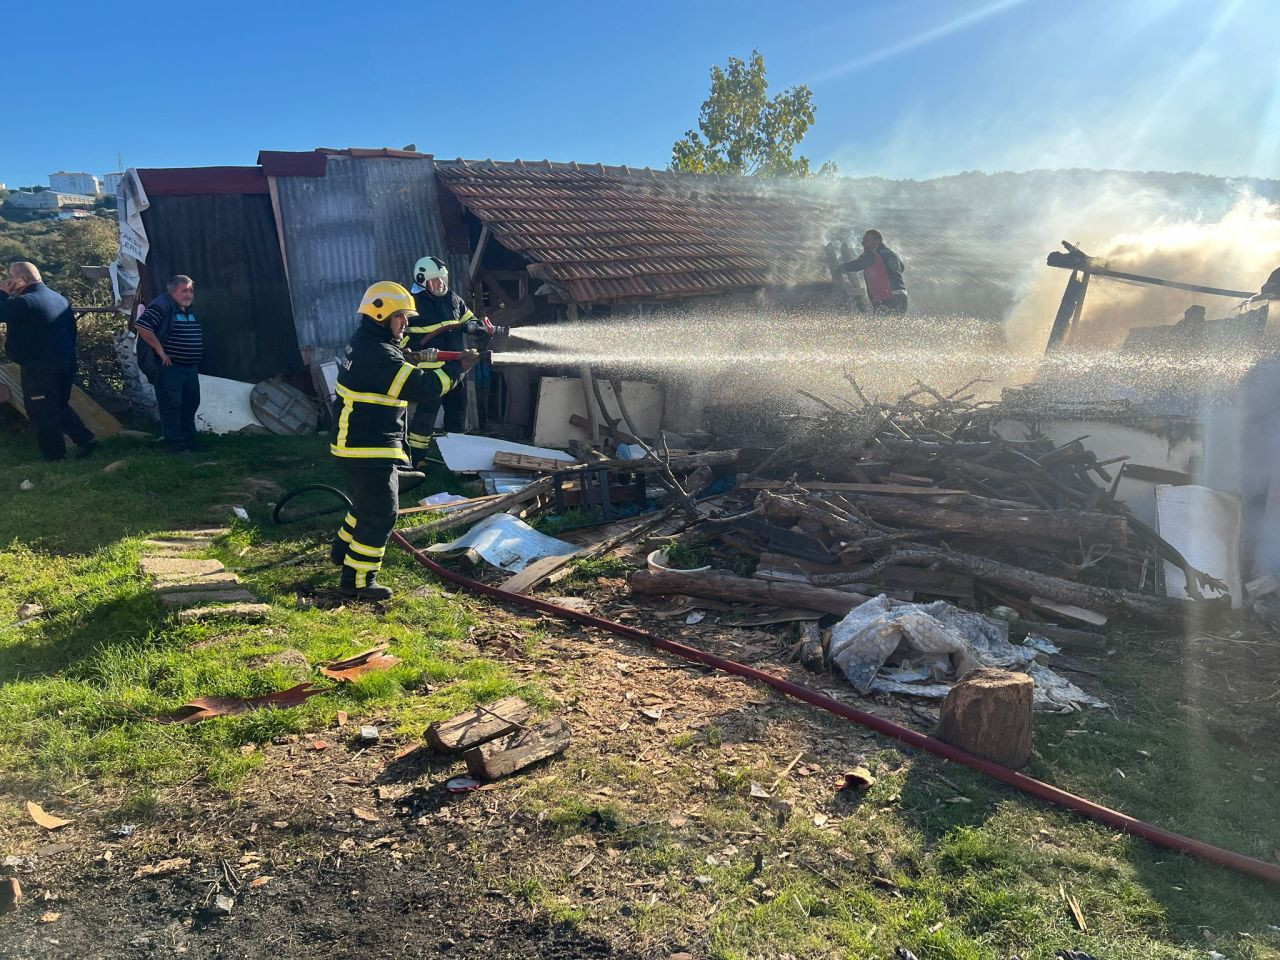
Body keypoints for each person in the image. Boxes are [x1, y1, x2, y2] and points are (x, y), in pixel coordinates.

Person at [330, 280, 477, 601]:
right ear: (380, 315)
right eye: (401, 318)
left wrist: (406, 356)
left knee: (369, 502)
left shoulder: (368, 343)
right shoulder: (379, 355)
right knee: (382, 511)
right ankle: (357, 580)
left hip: (358, 442)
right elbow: (423, 389)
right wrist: (457, 370)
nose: (406, 324)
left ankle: (342, 550)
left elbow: (391, 367)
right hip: (366, 446)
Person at [0, 261, 96, 461]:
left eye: (11, 277)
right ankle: (84, 439)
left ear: (22, 279)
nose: (8, 281)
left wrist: (3, 293)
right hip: (64, 361)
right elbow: (72, 331)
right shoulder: (59, 299)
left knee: (41, 410)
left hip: (39, 366)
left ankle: (54, 455)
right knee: (58, 404)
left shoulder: (24, 302)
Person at [404, 255, 479, 465]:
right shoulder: (412, 303)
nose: (440, 284)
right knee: (425, 418)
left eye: (443, 278)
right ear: (422, 281)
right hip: (430, 374)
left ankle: (457, 460)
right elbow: (400, 335)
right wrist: (408, 352)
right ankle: (416, 460)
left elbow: (468, 318)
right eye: (435, 280)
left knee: (457, 416)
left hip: (456, 370)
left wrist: (477, 326)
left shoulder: (453, 299)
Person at [134, 275, 203, 453]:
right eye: (184, 291)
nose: (189, 294)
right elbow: (142, 325)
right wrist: (160, 350)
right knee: (171, 405)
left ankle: (190, 441)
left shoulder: (187, 308)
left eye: (191, 290)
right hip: (170, 367)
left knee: (191, 403)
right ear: (173, 292)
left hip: (189, 366)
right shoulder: (161, 305)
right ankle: (175, 445)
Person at [837, 230, 908, 316]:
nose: (863, 243)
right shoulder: (892, 254)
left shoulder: (872, 254)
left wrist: (840, 268)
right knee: (894, 327)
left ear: (877, 241)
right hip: (902, 297)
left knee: (882, 327)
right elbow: (902, 268)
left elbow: (857, 265)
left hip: (887, 298)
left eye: (866, 240)